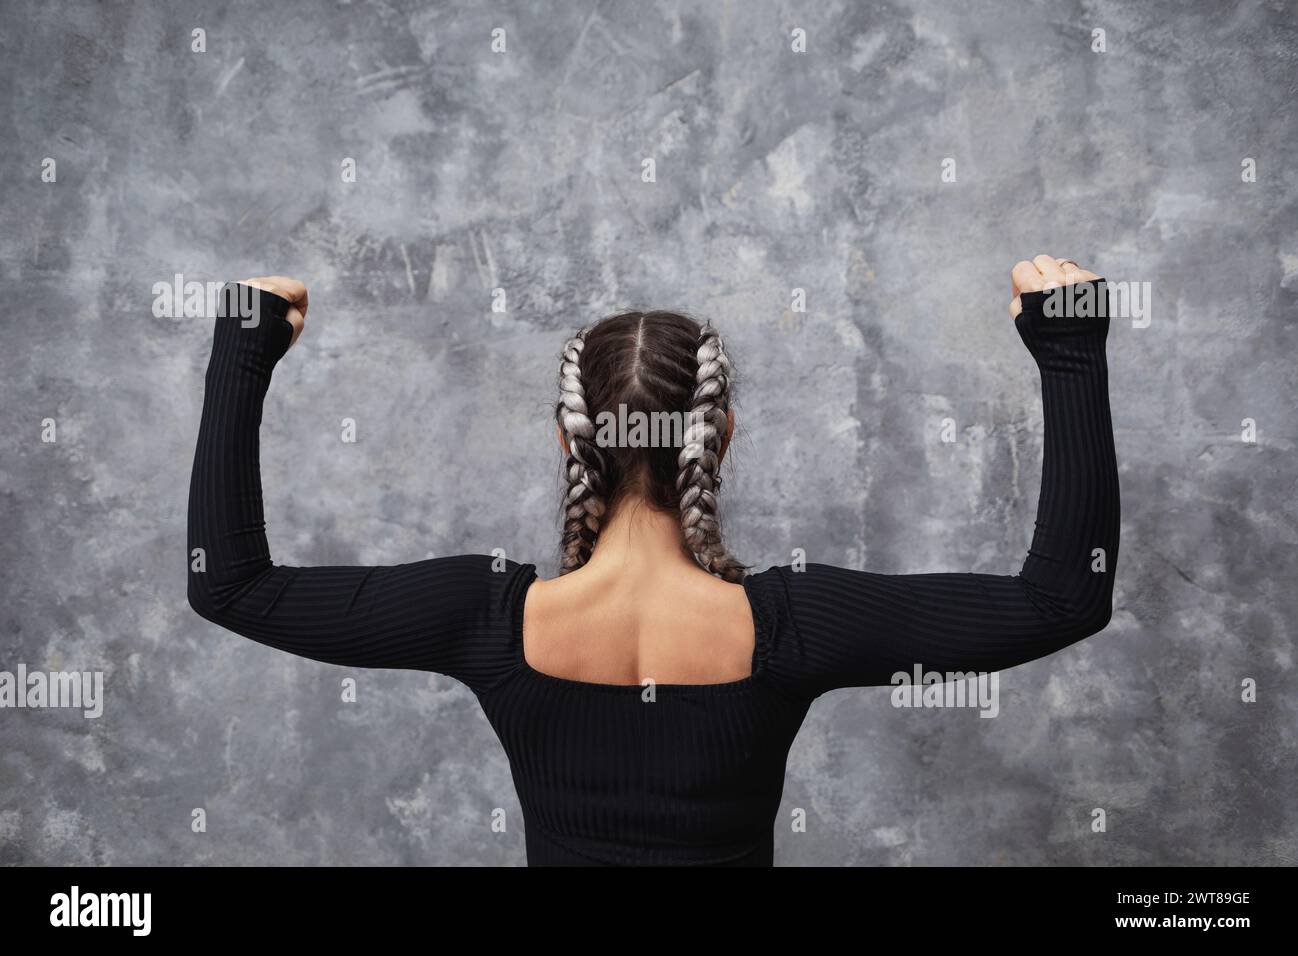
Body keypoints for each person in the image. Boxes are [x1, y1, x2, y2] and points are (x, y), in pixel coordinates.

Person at [187, 256, 1119, 866]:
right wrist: (1070, 352)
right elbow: (1061, 599)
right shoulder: (792, 626)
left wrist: (242, 353)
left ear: (568, 442)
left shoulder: (485, 618)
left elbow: (227, 582)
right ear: (721, 440)